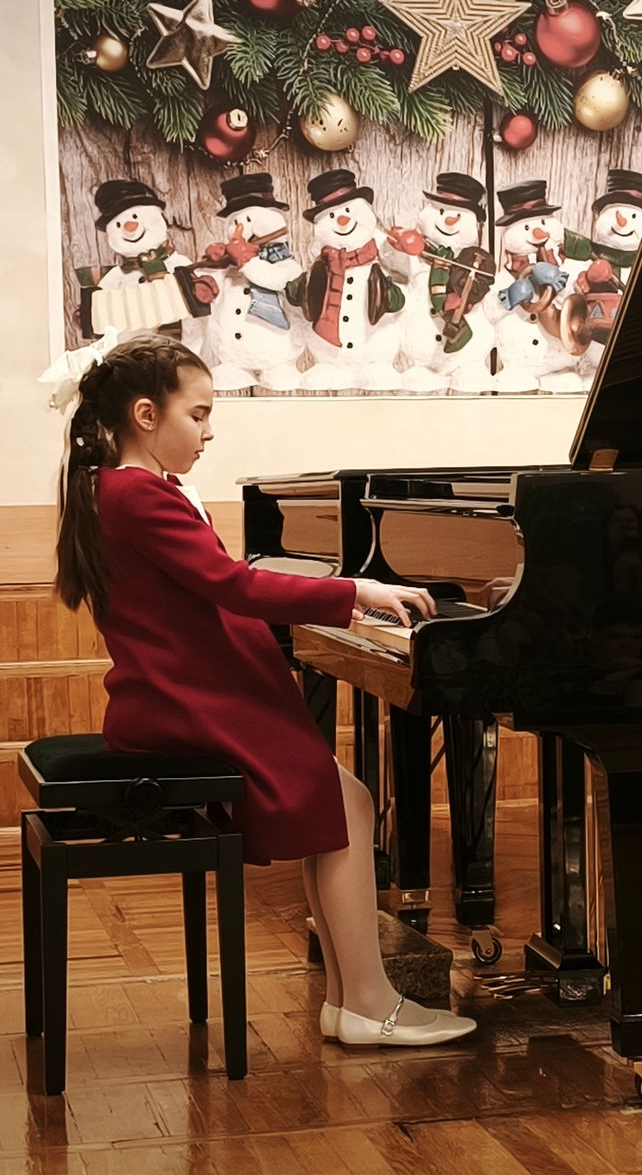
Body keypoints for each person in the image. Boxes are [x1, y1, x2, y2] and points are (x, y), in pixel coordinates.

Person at [50, 333, 474, 1048]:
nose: (209, 432)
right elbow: (234, 586)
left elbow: (209, 593)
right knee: (343, 804)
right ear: (147, 415)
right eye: (199, 415)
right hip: (186, 701)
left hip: (182, 689)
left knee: (347, 802)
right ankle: (368, 1002)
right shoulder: (135, 493)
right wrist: (357, 594)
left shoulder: (119, 488)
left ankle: (350, 999)